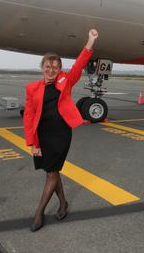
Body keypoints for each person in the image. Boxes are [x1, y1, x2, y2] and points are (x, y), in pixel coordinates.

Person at [23, 29, 98, 232]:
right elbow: (29, 117)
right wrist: (32, 143)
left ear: (59, 69)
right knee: (52, 172)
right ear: (42, 67)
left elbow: (79, 65)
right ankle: (63, 203)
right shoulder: (32, 88)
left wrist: (89, 42)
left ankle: (39, 212)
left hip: (62, 133)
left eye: (55, 67)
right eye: (48, 67)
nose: (51, 70)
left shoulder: (65, 81)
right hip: (43, 136)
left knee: (52, 173)